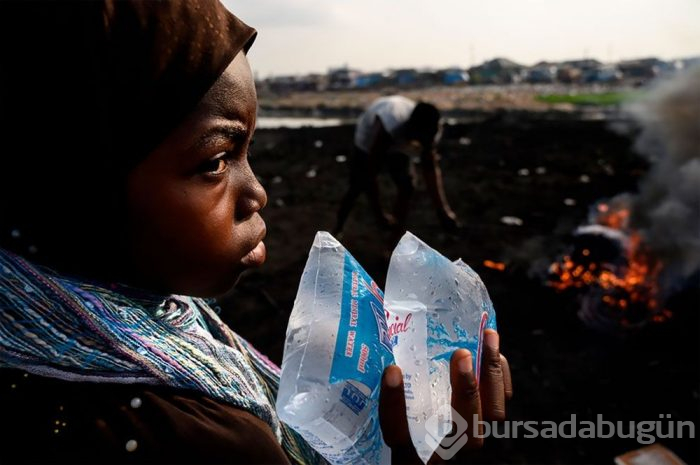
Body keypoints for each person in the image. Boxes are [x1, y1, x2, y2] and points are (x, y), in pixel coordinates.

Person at [0, 2, 510, 464]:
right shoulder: (211, 441)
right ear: (79, 185)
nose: (258, 193)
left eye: (248, 152)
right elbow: (373, 166)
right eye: (218, 160)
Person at [334, 96, 460, 241]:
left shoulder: (431, 128)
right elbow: (371, 172)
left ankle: (394, 238)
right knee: (357, 184)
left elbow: (430, 169)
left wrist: (443, 211)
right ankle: (338, 228)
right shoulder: (390, 125)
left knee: (407, 185)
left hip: (400, 138)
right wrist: (379, 214)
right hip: (367, 142)